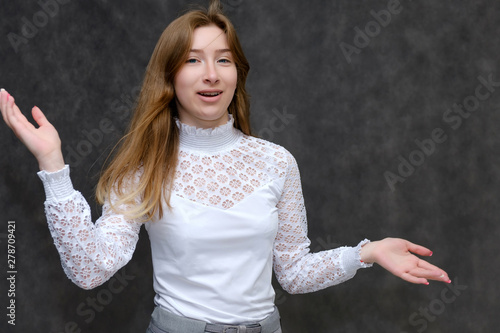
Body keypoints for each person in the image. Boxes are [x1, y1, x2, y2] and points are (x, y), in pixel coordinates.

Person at [0, 1, 450, 332]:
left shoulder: (276, 161)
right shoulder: (145, 167)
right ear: (171, 77)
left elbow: (292, 273)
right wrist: (52, 165)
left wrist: (365, 253)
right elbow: (90, 269)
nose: (210, 74)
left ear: (238, 73)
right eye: (193, 60)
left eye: (223, 60)